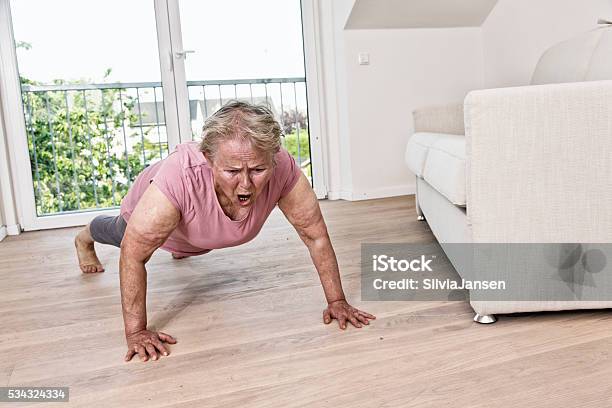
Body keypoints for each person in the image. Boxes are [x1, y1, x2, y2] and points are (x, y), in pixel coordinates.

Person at [74, 101, 375, 363]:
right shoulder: (180, 177)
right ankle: (85, 235)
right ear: (208, 159)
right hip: (160, 213)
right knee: (119, 232)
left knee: (191, 242)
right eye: (232, 172)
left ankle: (182, 247)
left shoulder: (283, 167)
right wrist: (136, 331)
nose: (245, 185)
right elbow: (133, 254)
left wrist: (337, 302)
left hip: (196, 235)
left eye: (258, 170)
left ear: (273, 158)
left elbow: (315, 235)